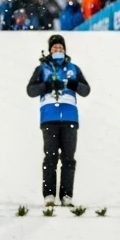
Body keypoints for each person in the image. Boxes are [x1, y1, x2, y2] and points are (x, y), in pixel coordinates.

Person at [25, 34, 91, 207]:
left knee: (69, 158)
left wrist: (72, 84)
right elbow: (30, 90)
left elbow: (86, 90)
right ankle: (49, 195)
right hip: (49, 118)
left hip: (69, 117)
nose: (58, 50)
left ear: (65, 50)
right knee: (50, 157)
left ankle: (66, 195)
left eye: (60, 48)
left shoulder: (73, 68)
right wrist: (47, 86)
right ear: (50, 50)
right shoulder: (42, 69)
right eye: (55, 48)